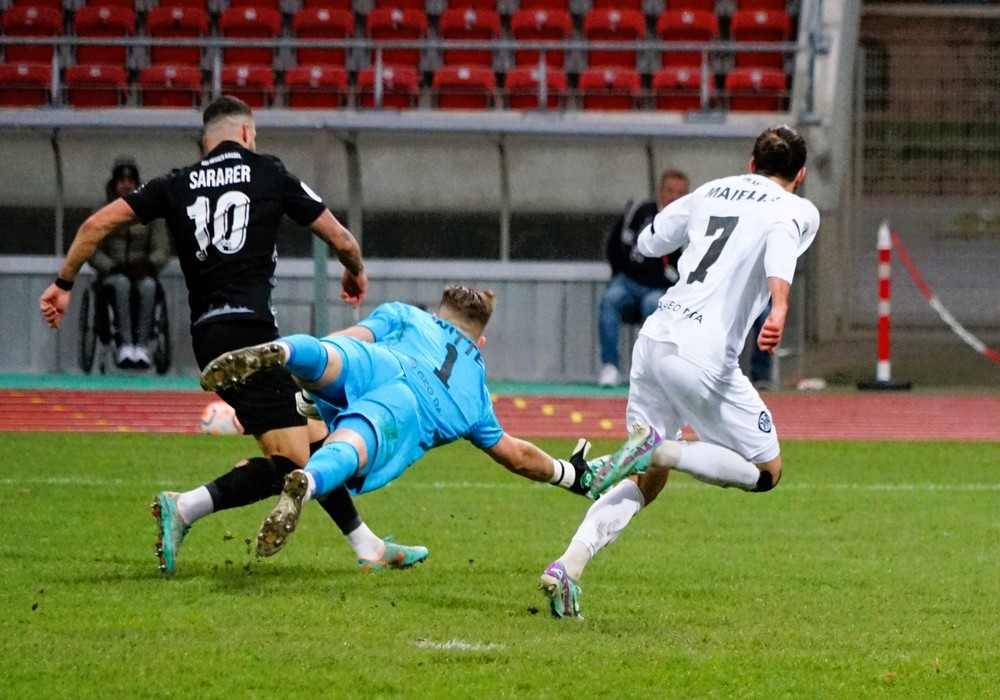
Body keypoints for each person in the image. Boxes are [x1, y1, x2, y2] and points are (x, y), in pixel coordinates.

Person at [39, 95, 423, 577]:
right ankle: (185, 507)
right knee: (296, 462)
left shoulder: (176, 182)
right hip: (252, 335)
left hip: (210, 336)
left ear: (206, 141)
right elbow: (341, 238)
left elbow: (96, 224)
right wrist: (355, 271)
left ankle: (367, 545)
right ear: (246, 133)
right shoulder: (269, 172)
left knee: (318, 440)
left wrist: (64, 284)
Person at [539, 125, 820, 618]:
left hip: (656, 338)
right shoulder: (797, 208)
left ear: (751, 163)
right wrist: (778, 307)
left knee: (646, 479)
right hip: (702, 354)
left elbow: (649, 242)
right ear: (799, 175)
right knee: (766, 472)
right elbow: (780, 240)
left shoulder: (710, 191)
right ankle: (662, 448)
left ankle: (568, 565)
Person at [198, 285, 598, 559]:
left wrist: (312, 389)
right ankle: (309, 482)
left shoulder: (407, 315)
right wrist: (567, 473)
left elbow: (348, 337)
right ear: (480, 343)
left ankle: (284, 351)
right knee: (352, 443)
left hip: (383, 361)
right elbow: (518, 456)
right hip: (408, 405)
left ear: (439, 314)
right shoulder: (475, 393)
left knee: (330, 354)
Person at [597, 169, 690, 387]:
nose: (674, 197)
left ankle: (647, 371)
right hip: (629, 281)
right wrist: (619, 272)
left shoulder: (690, 222)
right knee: (610, 298)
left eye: (680, 193)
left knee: (653, 306)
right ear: (660, 191)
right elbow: (615, 243)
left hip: (662, 288)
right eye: (669, 191)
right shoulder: (641, 212)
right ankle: (610, 366)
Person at [88, 158, 172, 369]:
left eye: (130, 181)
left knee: (149, 286)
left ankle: (141, 346)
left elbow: (162, 247)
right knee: (121, 284)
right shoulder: (101, 212)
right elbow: (91, 248)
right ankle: (125, 344)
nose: (126, 185)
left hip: (142, 271)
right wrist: (110, 266)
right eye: (122, 181)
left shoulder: (150, 211)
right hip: (113, 273)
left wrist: (149, 264)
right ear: (114, 184)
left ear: (136, 184)